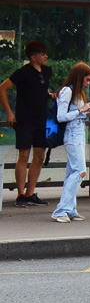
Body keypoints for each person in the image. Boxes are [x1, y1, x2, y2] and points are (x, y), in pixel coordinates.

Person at [1, 40, 54, 208]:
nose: (46, 56)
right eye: (42, 54)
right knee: (23, 155)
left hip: (41, 118)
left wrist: (49, 95)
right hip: (24, 119)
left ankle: (31, 193)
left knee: (39, 155)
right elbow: (2, 88)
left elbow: (40, 89)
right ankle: (20, 194)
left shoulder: (46, 71)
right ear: (33, 57)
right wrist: (9, 112)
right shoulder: (23, 72)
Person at [51, 63, 90, 222]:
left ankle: (70, 209)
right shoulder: (67, 91)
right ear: (79, 77)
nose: (88, 83)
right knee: (80, 171)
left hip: (78, 133)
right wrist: (81, 110)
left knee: (72, 172)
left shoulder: (77, 92)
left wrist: (88, 113)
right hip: (72, 134)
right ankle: (61, 210)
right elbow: (61, 116)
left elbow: (75, 115)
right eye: (87, 79)